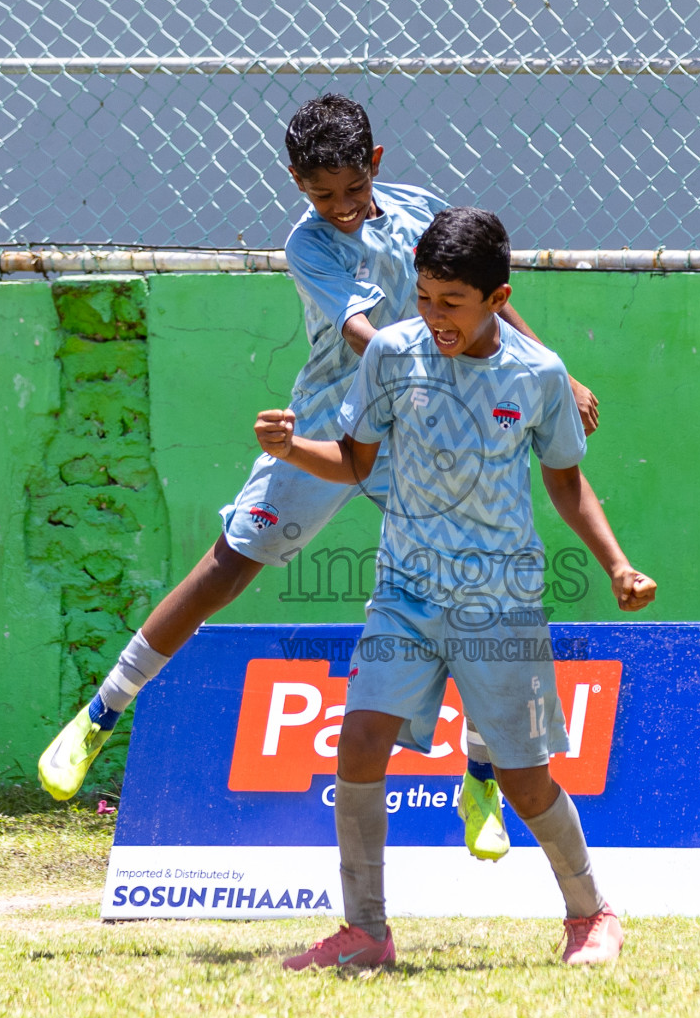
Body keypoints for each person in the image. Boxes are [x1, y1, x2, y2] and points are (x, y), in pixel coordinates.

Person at [37, 95, 599, 864]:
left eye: (348, 190)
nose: (337, 208)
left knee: (476, 584)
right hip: (330, 427)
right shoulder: (308, 247)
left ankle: (480, 779)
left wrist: (550, 370)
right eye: (317, 194)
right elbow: (367, 335)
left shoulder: (421, 213)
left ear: (374, 165)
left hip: (424, 436)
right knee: (227, 566)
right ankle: (103, 711)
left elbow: (490, 297)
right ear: (297, 184)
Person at [256, 207, 656, 968]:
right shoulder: (392, 355)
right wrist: (293, 448)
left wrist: (616, 565)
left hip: (497, 600)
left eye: (453, 304)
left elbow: (568, 486)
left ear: (498, 299)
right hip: (405, 593)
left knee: (525, 777)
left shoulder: (538, 375)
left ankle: (591, 913)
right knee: (358, 744)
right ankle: (367, 933)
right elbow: (356, 462)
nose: (434, 317)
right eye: (427, 299)